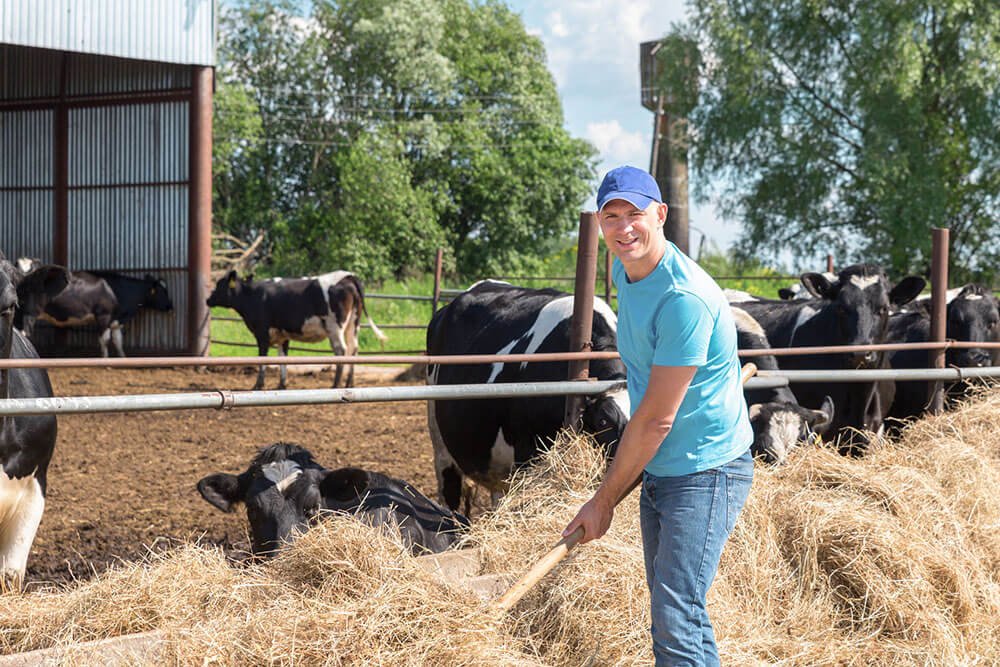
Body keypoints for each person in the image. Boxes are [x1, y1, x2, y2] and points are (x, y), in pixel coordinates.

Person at [563, 165, 754, 666]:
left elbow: (654, 420)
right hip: (660, 463)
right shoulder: (625, 271)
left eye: (635, 214)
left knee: (676, 613)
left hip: (706, 468)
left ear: (661, 214)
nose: (624, 228)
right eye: (612, 216)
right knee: (674, 610)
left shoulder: (683, 299)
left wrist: (601, 502)